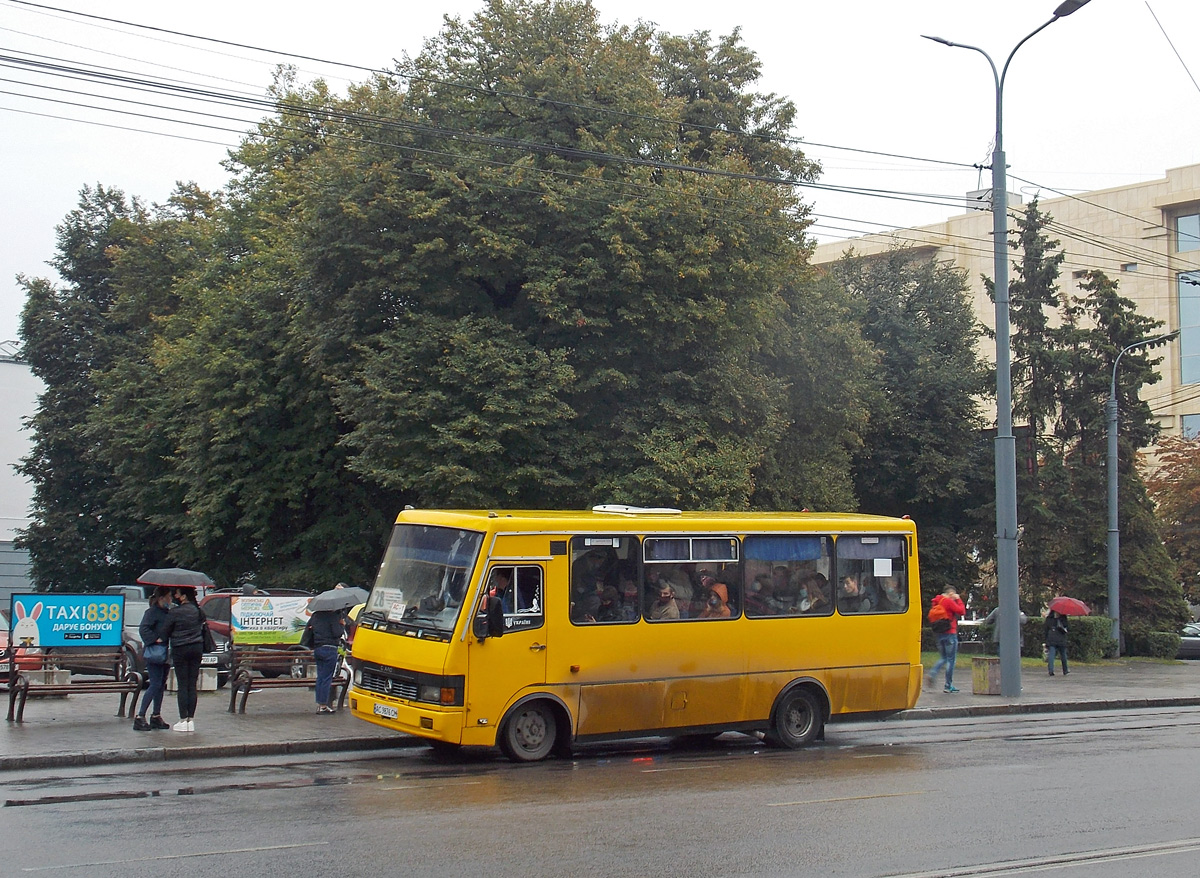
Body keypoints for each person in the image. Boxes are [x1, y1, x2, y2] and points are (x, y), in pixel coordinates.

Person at [158, 585, 206, 732]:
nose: (175, 596)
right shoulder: (198, 611)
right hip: (197, 648)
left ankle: (182, 719)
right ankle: (191, 720)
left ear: (184, 596)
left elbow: (164, 632)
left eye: (177, 594)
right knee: (192, 684)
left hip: (180, 649)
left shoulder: (175, 612)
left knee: (183, 684)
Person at [132, 587, 173, 731]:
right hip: (155, 652)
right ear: (161, 598)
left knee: (161, 684)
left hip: (165, 653)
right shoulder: (151, 613)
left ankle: (156, 715)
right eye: (168, 597)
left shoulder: (168, 613)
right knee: (155, 684)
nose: (170, 600)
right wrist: (155, 639)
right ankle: (140, 716)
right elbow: (144, 629)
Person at [305, 606, 347, 713]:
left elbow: (309, 629)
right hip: (330, 649)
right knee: (327, 678)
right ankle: (323, 705)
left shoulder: (316, 615)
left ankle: (320, 703)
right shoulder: (333, 617)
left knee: (320, 677)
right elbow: (337, 633)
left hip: (318, 648)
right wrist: (342, 625)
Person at [926, 586, 967, 693]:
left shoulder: (936, 601)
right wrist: (958, 599)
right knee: (950, 660)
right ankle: (948, 685)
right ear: (951, 593)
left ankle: (932, 673)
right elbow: (961, 611)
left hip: (939, 634)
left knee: (943, 657)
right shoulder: (948, 601)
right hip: (950, 633)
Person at [1045, 610, 1070, 676]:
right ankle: (1065, 670)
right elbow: (1067, 628)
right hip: (1061, 638)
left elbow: (1046, 630)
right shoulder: (1063, 618)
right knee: (1063, 654)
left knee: (1051, 655)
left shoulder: (1049, 619)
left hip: (1051, 638)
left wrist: (1046, 640)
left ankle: (1051, 670)